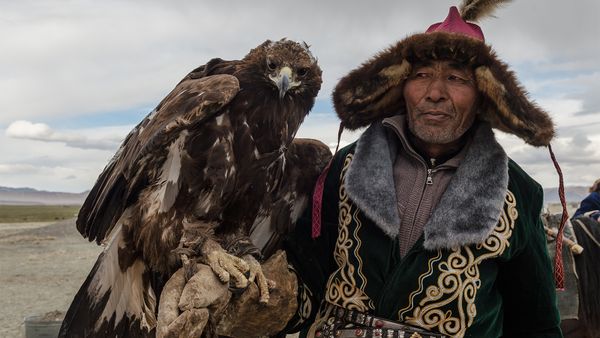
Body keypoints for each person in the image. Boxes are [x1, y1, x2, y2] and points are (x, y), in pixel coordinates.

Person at [159, 4, 563, 338]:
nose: (434, 92)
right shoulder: (345, 169)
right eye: (421, 75)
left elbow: (537, 323)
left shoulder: (517, 193)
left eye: (456, 78)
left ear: (484, 95)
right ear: (401, 86)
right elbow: (303, 275)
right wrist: (247, 301)